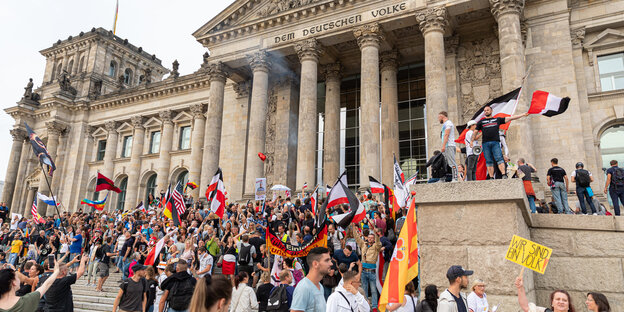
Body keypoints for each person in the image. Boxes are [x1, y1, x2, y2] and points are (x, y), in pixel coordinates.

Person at [473, 106, 529, 179]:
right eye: (485, 110)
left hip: (507, 182)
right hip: (504, 182)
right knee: (491, 163)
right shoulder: (513, 165)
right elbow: (521, 176)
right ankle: (494, 177)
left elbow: (521, 175)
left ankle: (501, 175)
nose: (505, 158)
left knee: (495, 162)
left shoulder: (512, 165)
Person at [290, 247, 331, 312]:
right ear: (315, 264)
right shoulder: (303, 288)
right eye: (327, 260)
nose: (331, 264)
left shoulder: (320, 286)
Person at [353, 221, 382, 311]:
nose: (370, 239)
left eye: (371, 238)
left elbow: (378, 240)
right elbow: (357, 238)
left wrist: (373, 229)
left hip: (371, 270)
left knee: (373, 290)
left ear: (373, 239)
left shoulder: (376, 246)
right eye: (369, 237)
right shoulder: (363, 244)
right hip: (364, 271)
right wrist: (353, 228)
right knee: (364, 290)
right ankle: (365, 305)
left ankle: (374, 306)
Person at [438, 111, 458, 182]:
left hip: (449, 145)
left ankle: (455, 178)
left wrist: (443, 146)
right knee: (446, 162)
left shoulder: (448, 123)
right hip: (447, 146)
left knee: (452, 162)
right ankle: (444, 178)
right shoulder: (445, 124)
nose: (438, 119)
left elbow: (447, 135)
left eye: (438, 117)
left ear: (442, 116)